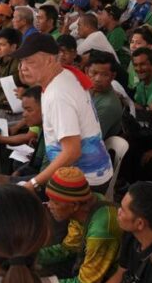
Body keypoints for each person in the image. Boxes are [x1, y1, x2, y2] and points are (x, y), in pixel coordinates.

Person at [16, 33, 114, 192]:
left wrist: (32, 184)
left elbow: (72, 152)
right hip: (83, 172)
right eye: (21, 61)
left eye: (30, 61)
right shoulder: (64, 74)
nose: (23, 67)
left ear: (49, 60)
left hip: (83, 181)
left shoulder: (58, 94)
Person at [38, 167, 122, 283]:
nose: (49, 205)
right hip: (85, 263)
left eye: (55, 202)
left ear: (74, 206)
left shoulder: (100, 232)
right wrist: (31, 256)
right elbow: (68, 249)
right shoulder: (86, 205)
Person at [86, 51, 123, 139]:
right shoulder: (87, 89)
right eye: (94, 73)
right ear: (86, 71)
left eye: (104, 75)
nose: (98, 79)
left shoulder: (107, 106)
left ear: (113, 76)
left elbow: (90, 139)